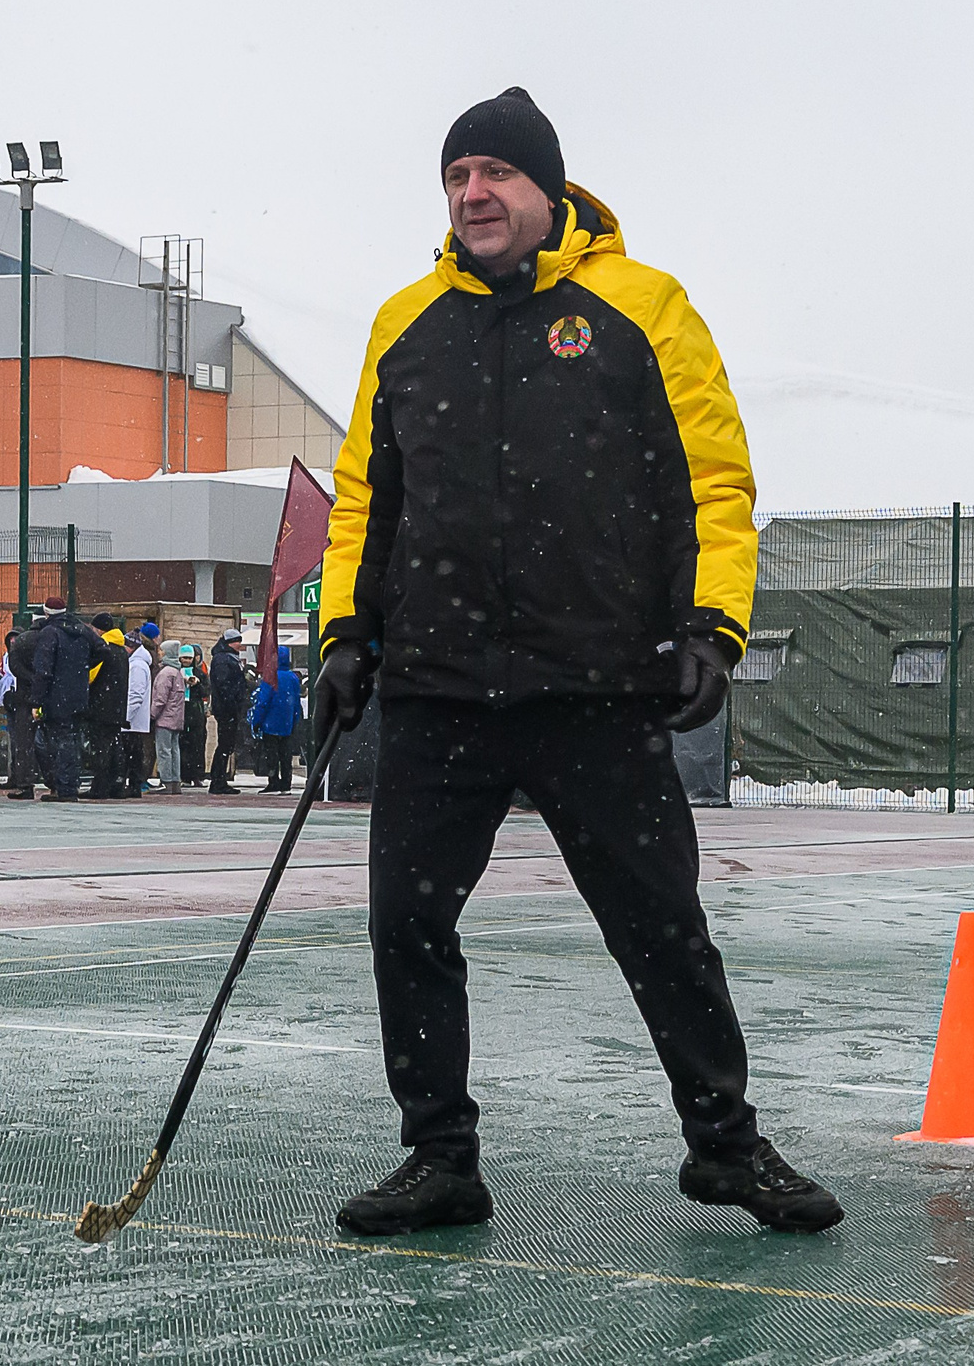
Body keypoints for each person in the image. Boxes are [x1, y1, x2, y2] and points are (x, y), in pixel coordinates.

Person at [314, 87, 837, 1238]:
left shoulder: (641, 306)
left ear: (548, 191)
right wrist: (344, 636)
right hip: (441, 688)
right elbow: (367, 497)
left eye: (495, 174)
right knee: (405, 923)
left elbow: (713, 477)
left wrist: (713, 624)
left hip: (595, 686)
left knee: (659, 926)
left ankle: (725, 1147)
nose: (472, 194)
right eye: (456, 178)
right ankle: (439, 1158)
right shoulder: (406, 323)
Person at [28, 597, 99, 801]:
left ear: (46, 613)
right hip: (78, 695)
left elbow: (43, 670)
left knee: (58, 743)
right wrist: (81, 667)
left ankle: (64, 788)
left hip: (56, 696)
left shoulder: (49, 633)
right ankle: (70, 784)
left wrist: (36, 701)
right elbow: (102, 649)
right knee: (72, 740)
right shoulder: (81, 629)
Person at [85, 615, 130, 799]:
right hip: (117, 707)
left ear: (100, 629)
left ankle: (99, 787)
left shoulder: (102, 649)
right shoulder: (121, 651)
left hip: (101, 707)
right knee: (114, 746)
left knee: (101, 748)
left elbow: (90, 676)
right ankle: (116, 784)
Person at [2, 614, 46, 798]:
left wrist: (29, 678)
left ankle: (25, 783)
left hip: (24, 698)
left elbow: (14, 667)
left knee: (23, 742)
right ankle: (56, 782)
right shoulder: (51, 640)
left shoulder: (21, 643)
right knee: (51, 740)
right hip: (48, 696)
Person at [249, 645, 304, 793]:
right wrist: (295, 720)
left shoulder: (270, 677)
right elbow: (296, 702)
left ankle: (273, 781)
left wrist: (257, 722)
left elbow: (263, 701)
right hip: (287, 722)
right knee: (285, 754)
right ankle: (286, 783)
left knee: (271, 754)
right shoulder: (293, 677)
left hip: (270, 722)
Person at [206, 629, 248, 794]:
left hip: (227, 709)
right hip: (227, 710)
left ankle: (218, 779)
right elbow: (224, 686)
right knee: (225, 745)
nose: (240, 644)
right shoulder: (225, 660)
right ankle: (218, 780)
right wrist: (233, 703)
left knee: (225, 745)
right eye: (237, 641)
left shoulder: (225, 658)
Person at [151, 638, 188, 793]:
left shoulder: (165, 673)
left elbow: (160, 699)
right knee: (174, 750)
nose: (159, 653)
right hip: (176, 718)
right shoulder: (177, 672)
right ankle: (175, 781)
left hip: (164, 719)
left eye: (161, 650)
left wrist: (151, 715)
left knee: (164, 751)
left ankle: (166, 781)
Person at [125, 629, 154, 798]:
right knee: (136, 754)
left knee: (132, 755)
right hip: (136, 722)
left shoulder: (137, 666)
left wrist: (126, 717)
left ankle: (134, 785)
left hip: (132, 722)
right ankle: (134, 785)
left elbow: (136, 695)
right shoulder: (140, 664)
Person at [178, 646, 208, 786]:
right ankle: (183, 775)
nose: (187, 661)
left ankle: (196, 775)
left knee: (197, 744)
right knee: (182, 744)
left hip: (195, 712)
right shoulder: (176, 672)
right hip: (180, 710)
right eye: (184, 658)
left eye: (189, 658)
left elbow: (205, 692)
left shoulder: (200, 674)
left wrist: (197, 684)